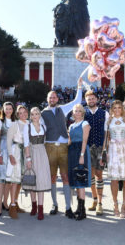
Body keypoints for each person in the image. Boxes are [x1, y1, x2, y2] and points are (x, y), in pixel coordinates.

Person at [41, 77, 83, 218]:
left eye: (54, 97)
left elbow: (77, 102)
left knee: (65, 177)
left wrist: (79, 87)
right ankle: (54, 204)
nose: (52, 99)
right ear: (47, 99)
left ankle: (67, 207)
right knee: (52, 177)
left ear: (57, 99)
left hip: (64, 146)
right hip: (50, 146)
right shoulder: (42, 114)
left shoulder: (63, 109)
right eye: (50, 97)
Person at [102, 100, 125, 218]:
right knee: (114, 179)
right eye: (114, 108)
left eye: (119, 108)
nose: (117, 110)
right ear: (112, 110)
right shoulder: (108, 121)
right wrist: (103, 153)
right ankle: (115, 204)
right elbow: (106, 138)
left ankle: (124, 205)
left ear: (122, 109)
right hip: (113, 149)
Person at [23, 107, 51, 220]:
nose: (35, 116)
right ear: (30, 116)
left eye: (37, 114)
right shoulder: (27, 127)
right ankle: (34, 205)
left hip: (42, 153)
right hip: (32, 153)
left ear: (40, 115)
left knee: (41, 181)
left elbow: (45, 142)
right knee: (32, 181)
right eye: (33, 114)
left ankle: (41, 209)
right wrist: (28, 159)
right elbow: (26, 144)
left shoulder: (44, 126)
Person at [84, 90, 109, 215]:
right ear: (86, 100)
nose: (91, 101)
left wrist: (104, 150)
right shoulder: (83, 113)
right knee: (91, 176)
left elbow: (106, 133)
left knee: (99, 175)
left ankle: (100, 203)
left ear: (97, 99)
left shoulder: (104, 113)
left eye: (93, 98)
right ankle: (94, 200)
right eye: (89, 99)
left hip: (100, 147)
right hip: (88, 147)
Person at [68, 104, 91, 220]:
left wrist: (82, 155)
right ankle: (78, 207)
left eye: (79, 111)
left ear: (82, 113)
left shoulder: (85, 124)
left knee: (80, 181)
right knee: (75, 181)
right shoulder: (71, 126)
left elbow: (85, 140)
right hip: (72, 152)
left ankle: (83, 211)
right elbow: (69, 142)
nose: (77, 113)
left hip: (81, 151)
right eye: (75, 111)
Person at [6, 105, 28, 219]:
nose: (23, 114)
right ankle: (12, 206)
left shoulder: (29, 124)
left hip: (25, 153)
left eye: (25, 112)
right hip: (16, 153)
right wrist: (10, 155)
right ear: (17, 114)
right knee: (14, 180)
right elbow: (9, 141)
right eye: (20, 113)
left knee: (20, 180)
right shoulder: (14, 125)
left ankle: (15, 202)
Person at [0, 102, 15, 216]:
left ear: (13, 110)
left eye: (10, 109)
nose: (8, 111)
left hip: (12, 151)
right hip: (2, 150)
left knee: (9, 180)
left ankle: (5, 202)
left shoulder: (15, 122)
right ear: (3, 110)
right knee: (0, 180)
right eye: (6, 109)